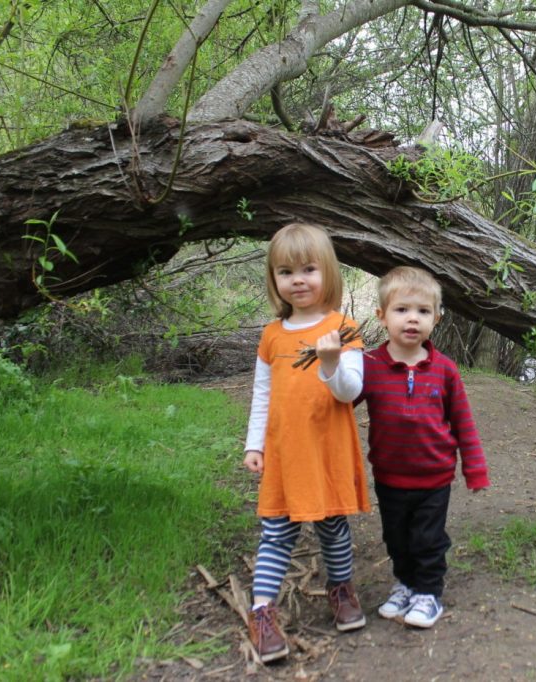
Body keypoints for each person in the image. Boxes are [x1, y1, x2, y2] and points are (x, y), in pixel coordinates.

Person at [242, 223, 370, 662]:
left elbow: (350, 392)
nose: (298, 280)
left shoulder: (343, 329)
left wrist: (331, 362)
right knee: (277, 530)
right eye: (285, 272)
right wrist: (253, 444)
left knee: (333, 525)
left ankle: (341, 588)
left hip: (327, 447)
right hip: (285, 451)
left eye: (309, 269)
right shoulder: (273, 335)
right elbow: (263, 394)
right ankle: (262, 612)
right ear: (274, 279)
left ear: (328, 273)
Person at [357, 266, 490, 629]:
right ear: (382, 316)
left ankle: (428, 593)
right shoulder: (369, 365)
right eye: (402, 310)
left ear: (437, 318)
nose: (412, 319)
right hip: (389, 476)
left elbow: (463, 423)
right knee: (396, 538)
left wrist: (475, 470)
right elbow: (339, 401)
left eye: (423, 311)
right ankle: (405, 583)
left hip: (434, 478)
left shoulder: (445, 370)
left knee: (428, 539)